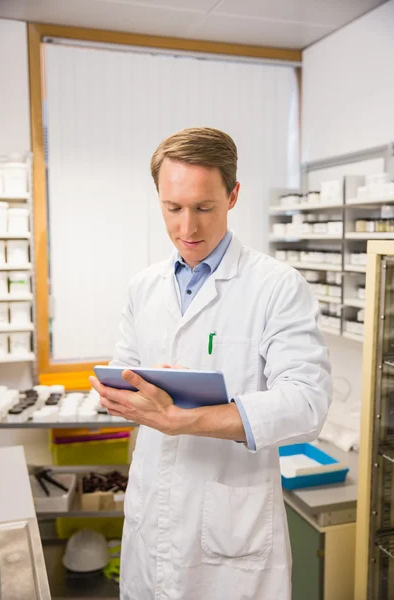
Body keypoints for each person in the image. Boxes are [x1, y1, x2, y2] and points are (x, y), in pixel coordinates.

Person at [90, 127, 332, 600]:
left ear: (233, 195)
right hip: (151, 517)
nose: (187, 228)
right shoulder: (144, 287)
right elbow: (124, 367)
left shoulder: (276, 286)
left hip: (231, 535)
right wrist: (118, 393)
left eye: (204, 208)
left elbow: (307, 403)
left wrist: (187, 420)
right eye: (173, 208)